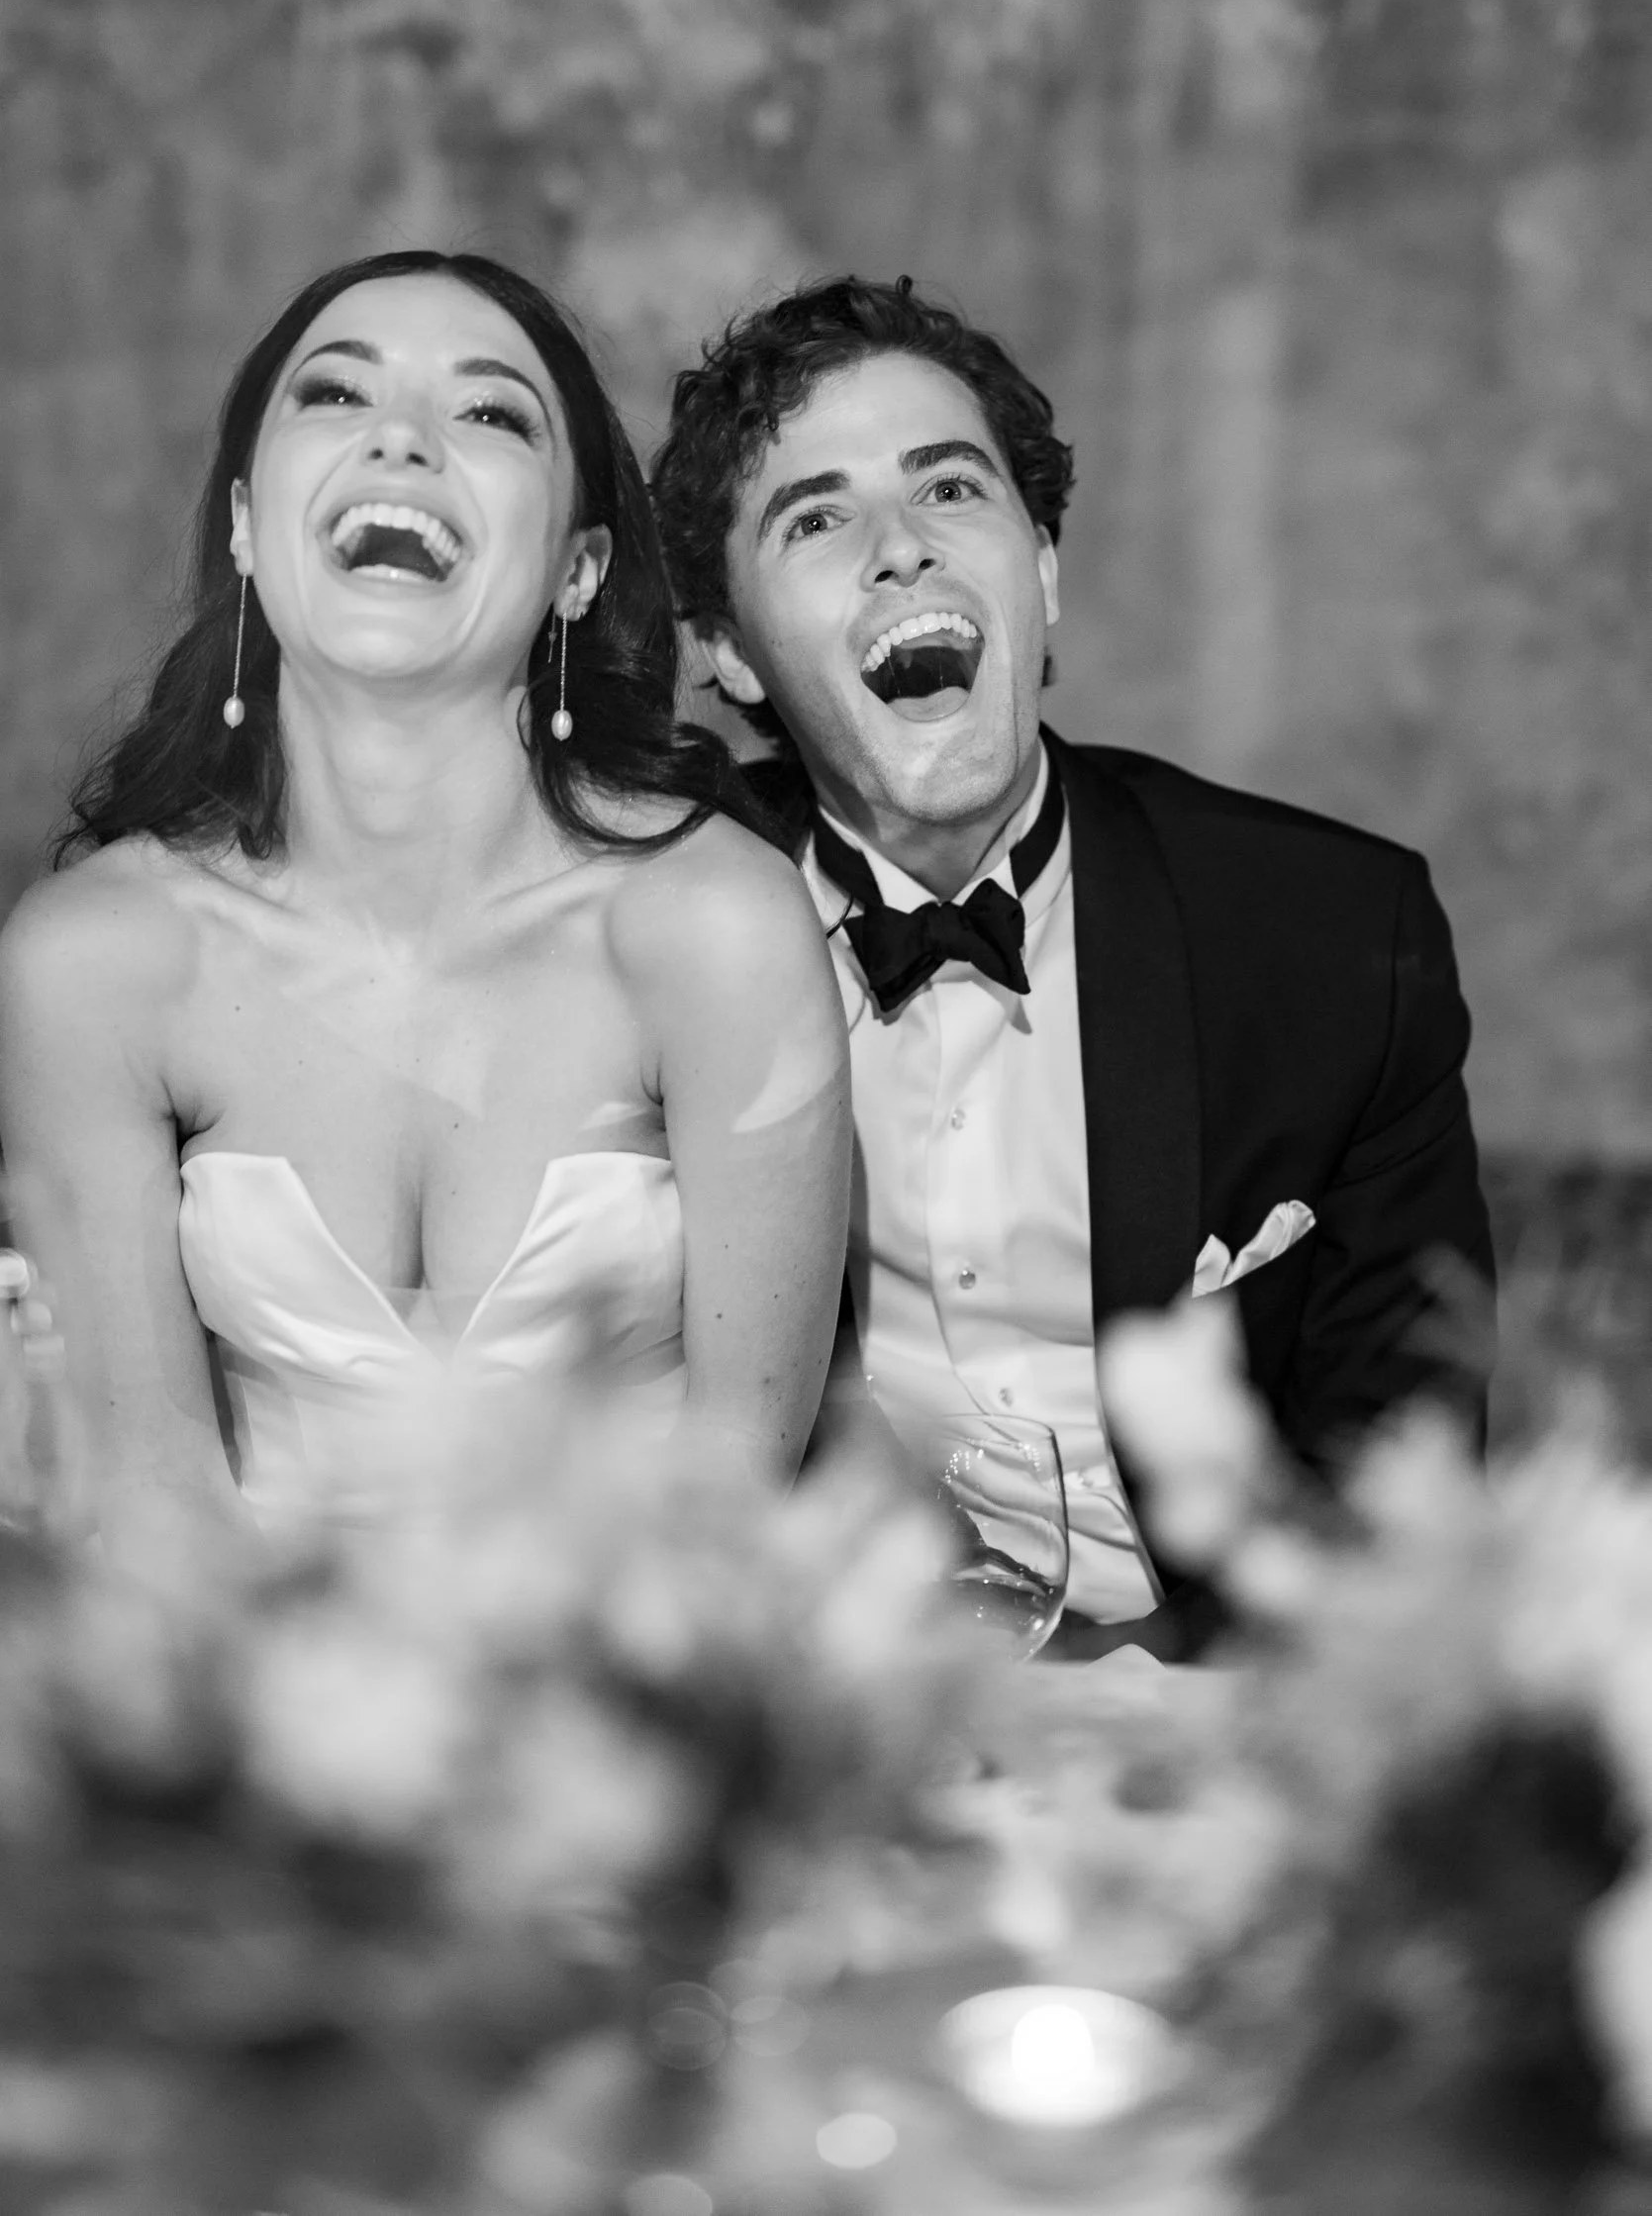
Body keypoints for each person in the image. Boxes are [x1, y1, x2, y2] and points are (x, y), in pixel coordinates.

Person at [651, 273, 1495, 1660]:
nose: (899, 551)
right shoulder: (641, 918)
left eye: (951, 490)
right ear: (729, 652)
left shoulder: (1337, 937)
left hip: (1217, 1709)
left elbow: (1400, 1501)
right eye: (817, 517)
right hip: (806, 1708)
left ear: (1041, 569)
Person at [0, 251, 850, 1536]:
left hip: (641, 1696)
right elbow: (148, 1509)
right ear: (244, 521)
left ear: (577, 566)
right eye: (336, 397)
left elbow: (733, 1500)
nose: (401, 440)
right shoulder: (94, 962)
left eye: (491, 412)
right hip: (238, 1703)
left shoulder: (714, 928)